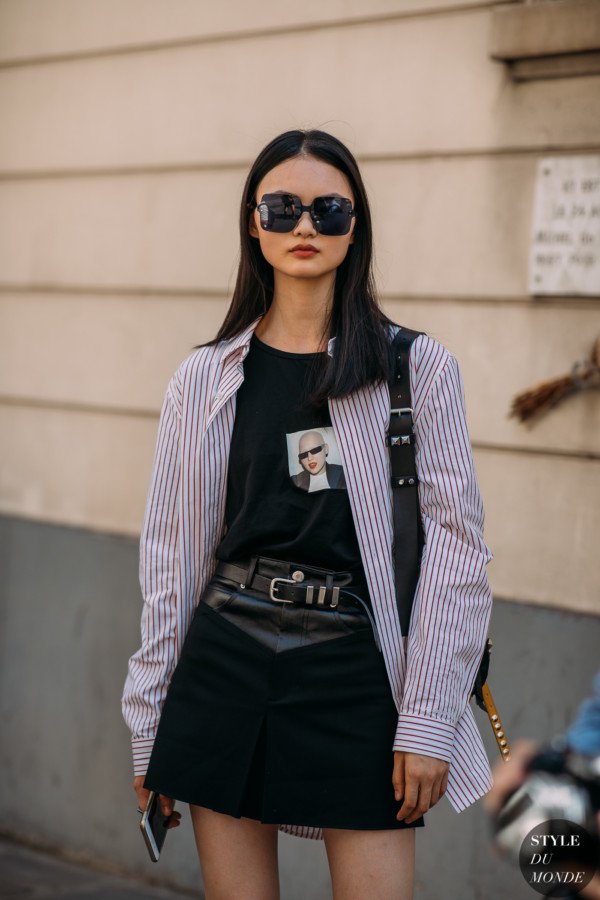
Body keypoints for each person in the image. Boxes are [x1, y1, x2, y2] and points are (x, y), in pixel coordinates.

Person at [121, 128, 494, 900]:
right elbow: (172, 560)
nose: (304, 227)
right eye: (283, 207)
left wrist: (426, 720)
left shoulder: (415, 369)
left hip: (356, 672)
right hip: (224, 661)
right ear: (252, 223)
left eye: (329, 210)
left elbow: (459, 553)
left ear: (355, 229)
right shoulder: (204, 378)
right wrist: (149, 723)